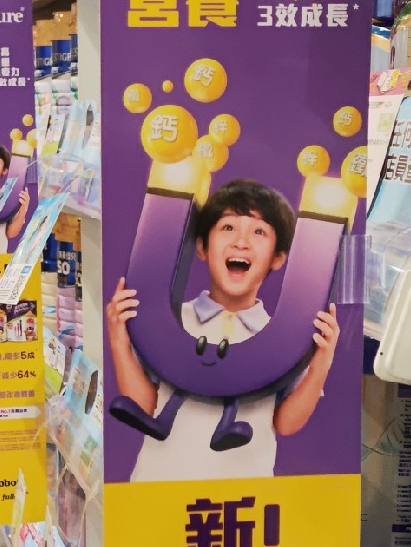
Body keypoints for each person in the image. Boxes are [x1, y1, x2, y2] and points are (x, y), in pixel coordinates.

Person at [106, 177, 339, 480]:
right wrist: (119, 341)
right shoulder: (174, 321)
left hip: (241, 495)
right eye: (228, 227)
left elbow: (286, 424)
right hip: (160, 487)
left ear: (278, 258)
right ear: (201, 247)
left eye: (259, 231)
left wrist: (321, 363)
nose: (241, 241)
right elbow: (145, 405)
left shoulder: (282, 340)